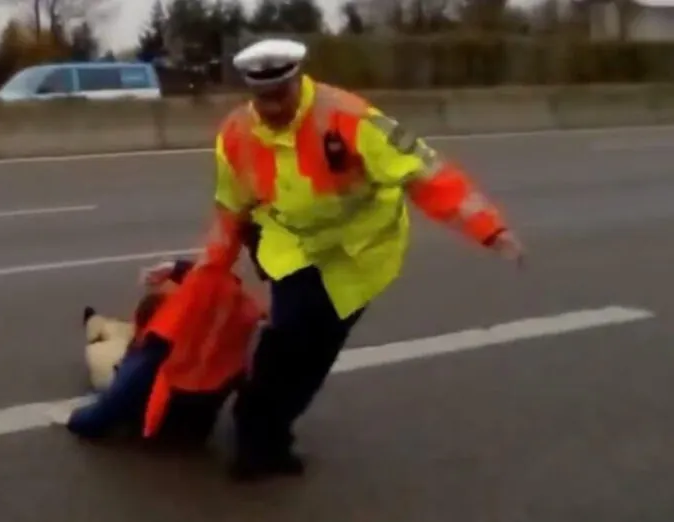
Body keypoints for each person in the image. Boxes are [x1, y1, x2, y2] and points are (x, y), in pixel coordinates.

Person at [143, 38, 526, 481]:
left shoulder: (349, 117)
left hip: (360, 257)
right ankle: (258, 441)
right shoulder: (236, 134)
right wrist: (199, 270)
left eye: (279, 96)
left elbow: (427, 172)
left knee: (313, 355)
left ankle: (271, 427)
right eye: (261, 98)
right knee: (286, 339)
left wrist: (490, 229)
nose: (270, 108)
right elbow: (231, 211)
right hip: (293, 251)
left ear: (296, 81)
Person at [52, 258, 265, 447]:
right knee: (122, 334)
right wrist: (176, 269)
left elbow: (108, 409)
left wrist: (73, 418)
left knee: (103, 352)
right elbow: (218, 285)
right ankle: (102, 324)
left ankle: (95, 326)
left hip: (164, 425)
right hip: (199, 424)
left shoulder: (153, 354)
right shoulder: (234, 319)